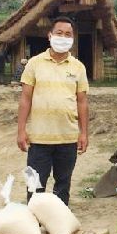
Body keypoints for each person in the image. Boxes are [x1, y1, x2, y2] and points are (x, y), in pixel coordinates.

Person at [17, 16, 88, 205]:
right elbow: (25, 98)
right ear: (50, 36)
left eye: (68, 34)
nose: (63, 38)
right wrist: (21, 130)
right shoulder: (34, 63)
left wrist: (83, 133)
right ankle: (33, 218)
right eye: (59, 33)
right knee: (34, 185)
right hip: (38, 138)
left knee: (63, 185)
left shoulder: (78, 67)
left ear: (73, 39)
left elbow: (82, 102)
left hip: (68, 138)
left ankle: (59, 220)